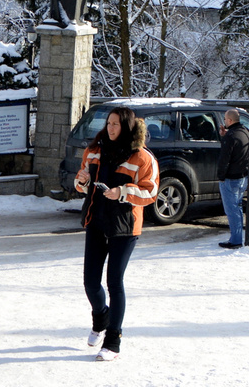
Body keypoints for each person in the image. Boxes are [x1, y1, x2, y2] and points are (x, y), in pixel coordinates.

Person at [74, 106, 160, 360]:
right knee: (90, 281)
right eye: (108, 123)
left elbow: (150, 193)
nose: (111, 128)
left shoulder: (142, 158)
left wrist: (122, 192)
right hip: (96, 221)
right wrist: (82, 181)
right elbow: (81, 186)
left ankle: (113, 340)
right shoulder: (94, 151)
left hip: (124, 226)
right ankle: (101, 317)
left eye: (116, 125)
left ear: (127, 128)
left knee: (114, 282)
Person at [216, 109, 249, 249]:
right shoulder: (245, 132)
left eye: (225, 119)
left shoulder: (231, 136)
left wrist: (221, 177)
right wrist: (224, 136)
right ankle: (237, 237)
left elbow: (224, 159)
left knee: (232, 210)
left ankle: (236, 240)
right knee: (237, 207)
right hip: (243, 176)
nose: (224, 121)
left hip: (231, 179)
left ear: (229, 120)